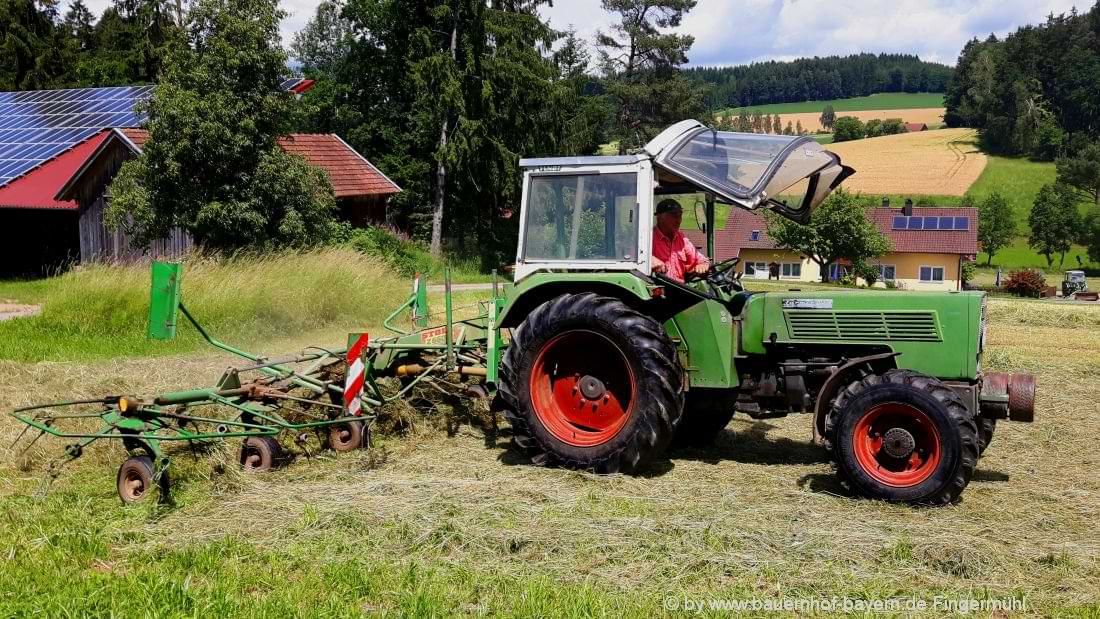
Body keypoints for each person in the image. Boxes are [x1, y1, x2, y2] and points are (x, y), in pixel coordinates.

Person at [651, 198, 709, 282]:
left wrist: (703, 264)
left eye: (680, 215)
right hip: (658, 288)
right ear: (659, 217)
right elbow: (633, 259)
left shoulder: (681, 239)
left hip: (679, 288)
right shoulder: (648, 239)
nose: (678, 220)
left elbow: (700, 259)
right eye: (674, 216)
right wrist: (649, 260)